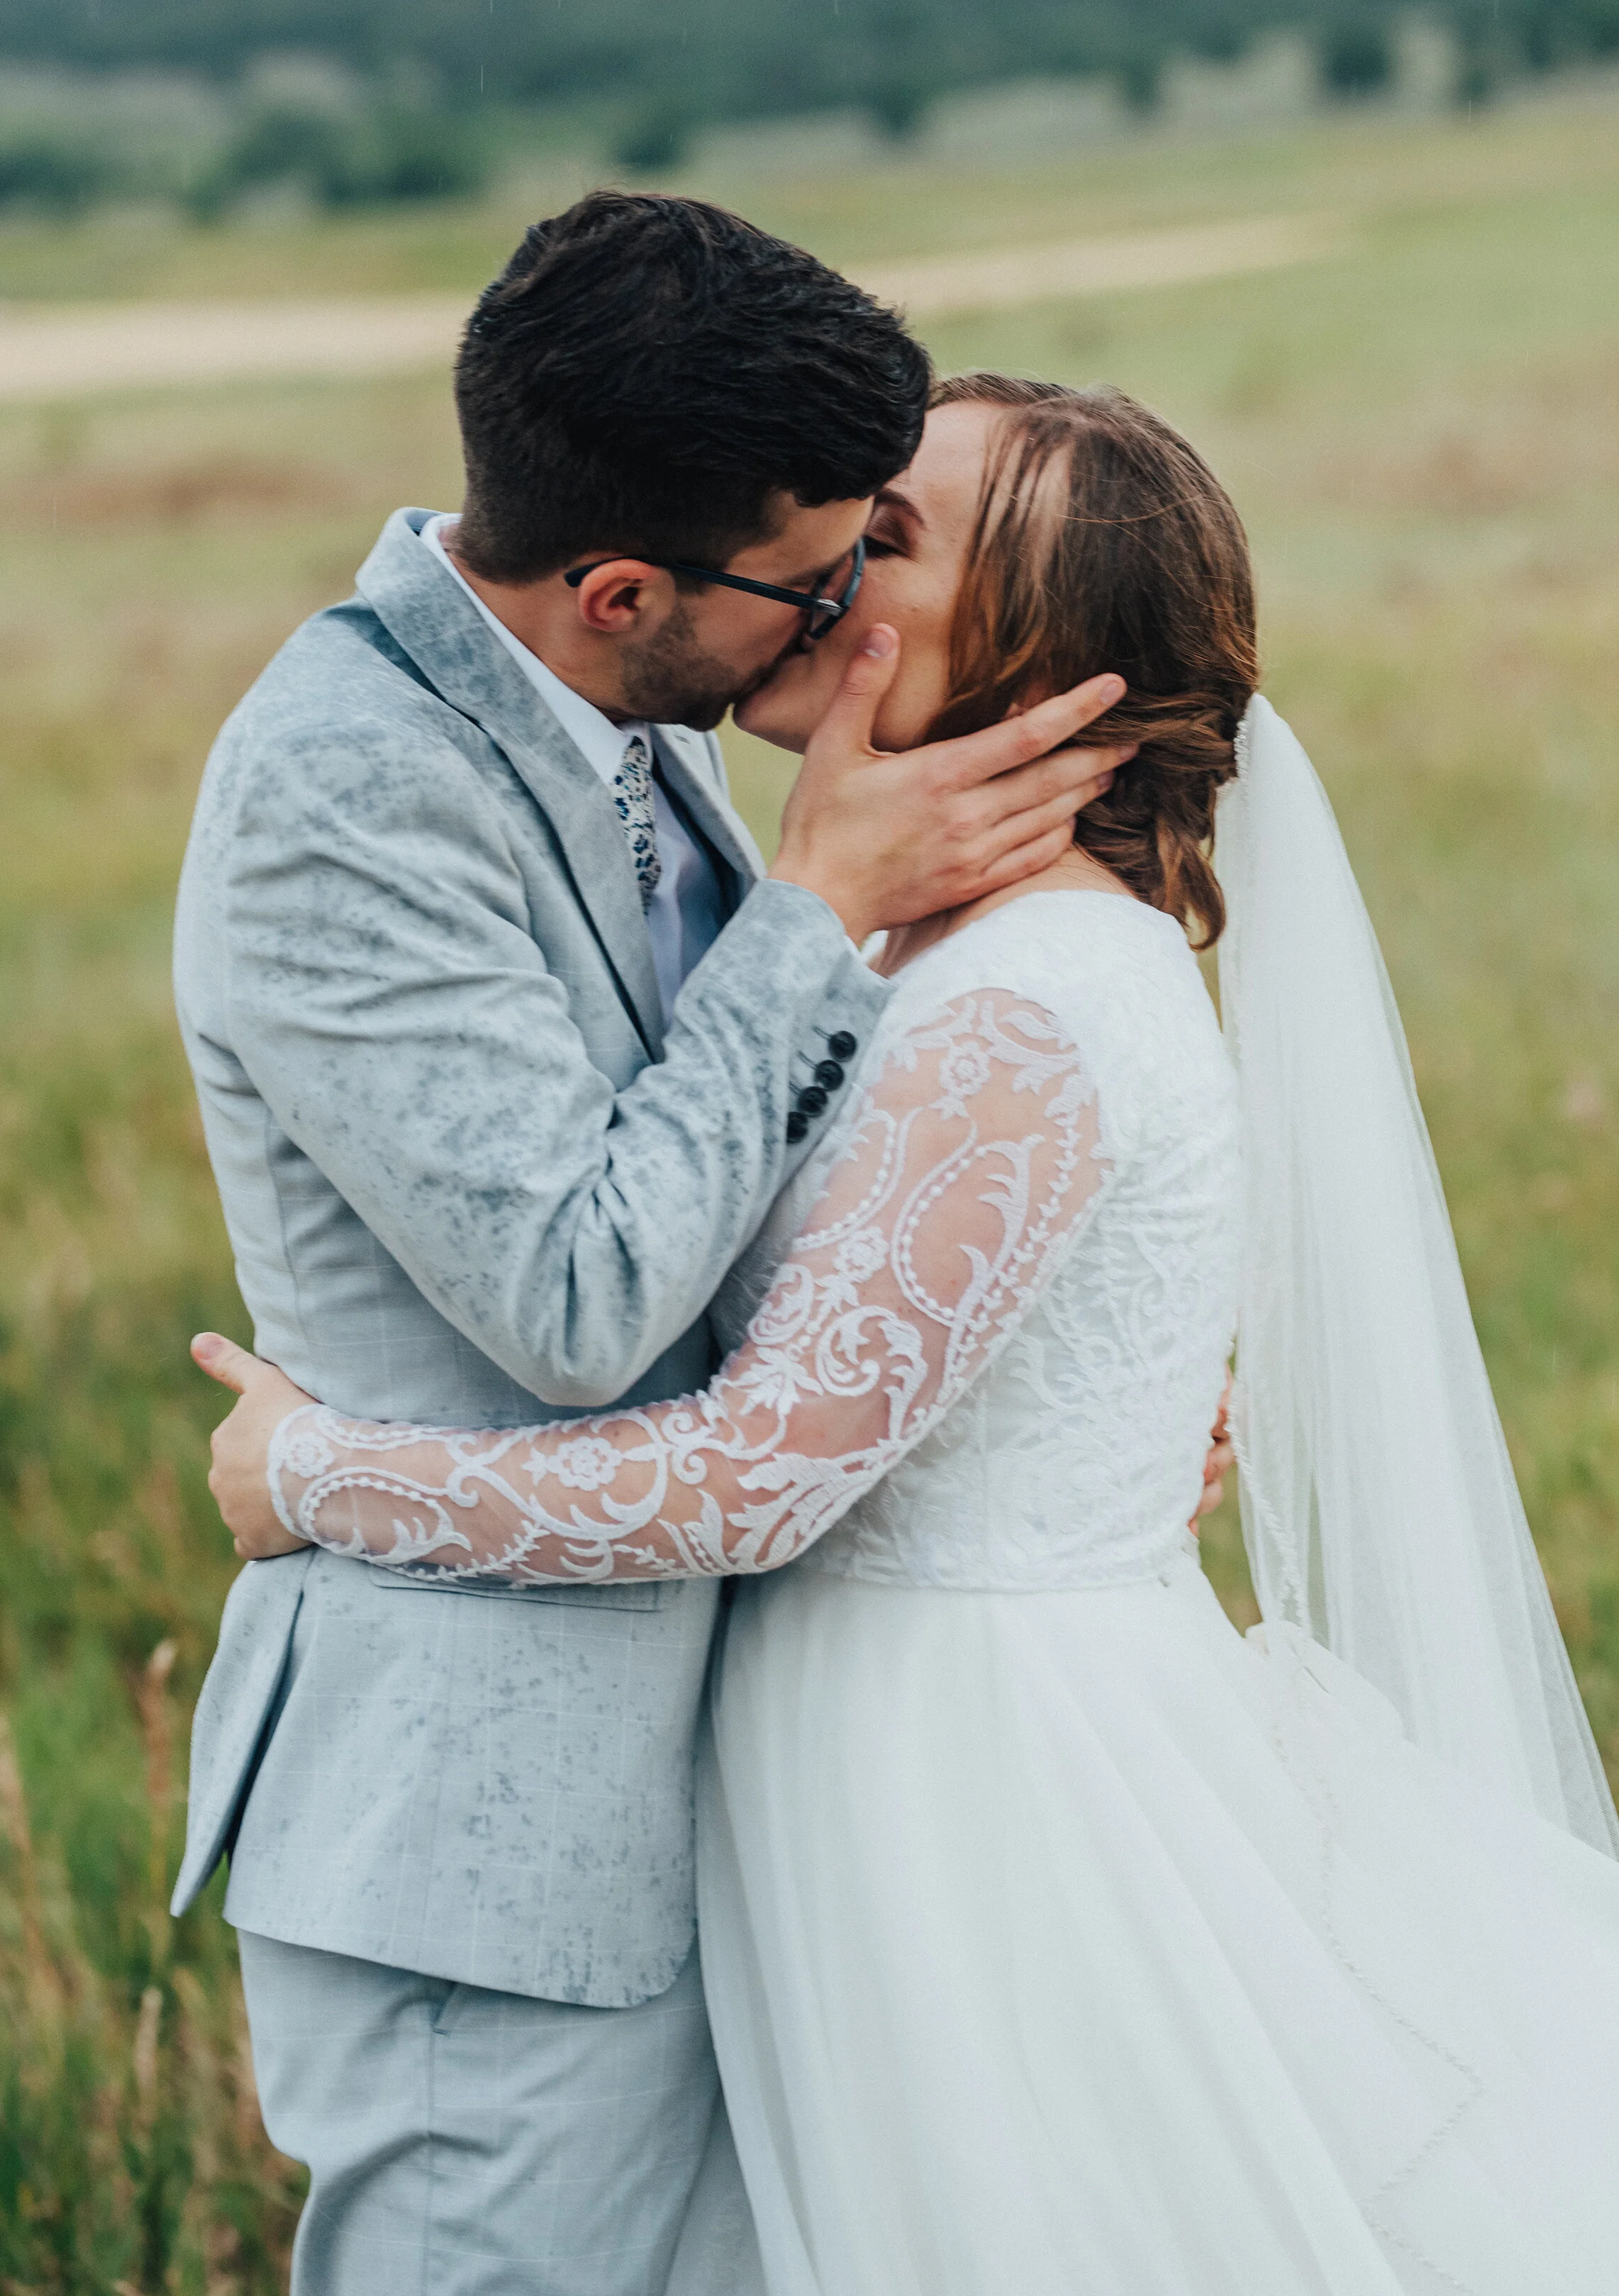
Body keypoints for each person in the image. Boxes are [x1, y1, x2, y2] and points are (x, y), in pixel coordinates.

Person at [200, 371, 1619, 2294]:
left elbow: (762, 1472)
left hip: (979, 1788)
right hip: (864, 1756)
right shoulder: (916, 946)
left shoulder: (1027, 1006)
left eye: (889, 537)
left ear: (1042, 668)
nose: (818, 558)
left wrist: (315, 1468)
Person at [170, 202, 1149, 2296]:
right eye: (816, 577)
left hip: (710, 1792)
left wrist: (1017, 1366)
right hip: (486, 1851)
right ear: (623, 587)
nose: (839, 625)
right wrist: (817, 907)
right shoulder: (340, 795)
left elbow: (755, 1171)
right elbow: (581, 1304)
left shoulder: (629, 717)